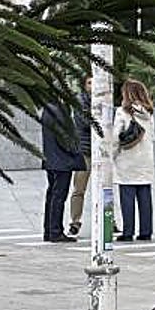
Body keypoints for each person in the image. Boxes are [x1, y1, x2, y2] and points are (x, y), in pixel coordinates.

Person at [113, 78, 155, 241]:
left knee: (127, 196)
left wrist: (111, 155)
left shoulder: (123, 111)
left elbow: (117, 136)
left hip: (127, 160)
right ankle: (146, 231)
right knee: (145, 196)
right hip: (145, 159)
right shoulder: (149, 112)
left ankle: (128, 232)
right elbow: (153, 136)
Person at [41, 100, 85, 242]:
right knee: (59, 197)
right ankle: (55, 232)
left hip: (51, 159)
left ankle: (49, 231)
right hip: (62, 161)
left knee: (52, 196)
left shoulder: (47, 108)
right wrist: (75, 150)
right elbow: (63, 137)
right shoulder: (60, 110)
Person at [68, 75, 93, 237]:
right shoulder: (80, 101)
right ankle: (75, 222)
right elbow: (85, 123)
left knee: (106, 188)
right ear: (84, 85)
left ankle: (109, 221)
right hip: (85, 151)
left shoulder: (104, 100)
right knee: (79, 189)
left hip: (101, 151)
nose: (93, 86)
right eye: (90, 83)